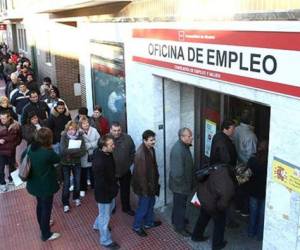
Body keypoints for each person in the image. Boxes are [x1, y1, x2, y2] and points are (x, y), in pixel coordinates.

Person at [25, 127, 61, 241]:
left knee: (39, 205)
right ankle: (46, 234)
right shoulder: (48, 152)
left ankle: (42, 225)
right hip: (46, 185)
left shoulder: (31, 148)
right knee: (46, 208)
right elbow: (57, 159)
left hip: (34, 184)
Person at [191, 163, 237, 250]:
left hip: (202, 197)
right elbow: (224, 201)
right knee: (220, 223)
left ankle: (196, 236)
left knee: (203, 217)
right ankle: (217, 245)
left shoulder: (218, 168)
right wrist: (219, 208)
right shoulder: (228, 183)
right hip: (212, 204)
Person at [92, 134, 120, 250]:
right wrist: (112, 191)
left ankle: (97, 225)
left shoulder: (106, 153)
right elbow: (101, 182)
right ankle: (105, 241)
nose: (114, 146)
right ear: (104, 147)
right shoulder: (99, 161)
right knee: (105, 216)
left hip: (110, 191)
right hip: (104, 194)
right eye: (111, 145)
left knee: (104, 213)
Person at [132, 130, 161, 237]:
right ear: (144, 141)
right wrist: (145, 191)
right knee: (143, 207)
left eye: (154, 139)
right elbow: (141, 176)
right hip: (145, 187)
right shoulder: (141, 154)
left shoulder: (150, 149)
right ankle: (136, 226)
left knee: (150, 204)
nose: (154, 142)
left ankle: (149, 223)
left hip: (150, 185)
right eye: (151, 140)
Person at [169, 127, 194, 236]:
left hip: (181, 185)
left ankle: (176, 220)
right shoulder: (178, 150)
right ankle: (180, 227)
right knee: (180, 206)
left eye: (191, 135)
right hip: (180, 186)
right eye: (189, 136)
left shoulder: (183, 146)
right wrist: (185, 186)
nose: (191, 137)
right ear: (182, 137)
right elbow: (177, 173)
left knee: (178, 205)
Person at [110, 122, 135, 216]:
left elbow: (132, 151)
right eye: (114, 130)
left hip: (125, 170)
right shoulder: (106, 139)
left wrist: (129, 163)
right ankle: (111, 207)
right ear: (110, 130)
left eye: (119, 130)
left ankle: (126, 207)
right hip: (111, 171)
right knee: (111, 191)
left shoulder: (128, 138)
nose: (117, 132)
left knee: (126, 190)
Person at [60, 121, 86, 212]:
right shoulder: (64, 136)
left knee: (77, 181)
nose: (71, 131)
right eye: (70, 129)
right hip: (65, 163)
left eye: (73, 129)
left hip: (76, 162)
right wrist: (76, 150)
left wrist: (70, 152)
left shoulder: (80, 136)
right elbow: (62, 151)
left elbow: (83, 151)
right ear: (67, 129)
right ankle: (65, 203)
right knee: (66, 183)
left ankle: (76, 197)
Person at [247, 140, 268, 240]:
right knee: (262, 215)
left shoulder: (253, 159)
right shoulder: (269, 162)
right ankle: (260, 236)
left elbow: (247, 174)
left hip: (253, 191)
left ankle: (251, 232)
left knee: (253, 213)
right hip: (264, 192)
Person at [0, 111, 22, 192]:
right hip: (1, 150)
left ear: (9, 117)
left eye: (4, 118)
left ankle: (11, 179)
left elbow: (20, 135)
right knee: (1, 168)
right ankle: (2, 183)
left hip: (11, 149)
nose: (2, 120)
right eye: (1, 118)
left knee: (12, 165)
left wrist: (16, 144)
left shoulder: (15, 125)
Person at [79, 117, 100, 197]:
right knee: (83, 173)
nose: (86, 124)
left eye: (87, 122)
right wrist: (91, 144)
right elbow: (80, 144)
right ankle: (83, 188)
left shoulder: (94, 130)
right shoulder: (79, 132)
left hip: (93, 154)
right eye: (84, 123)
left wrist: (89, 145)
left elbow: (99, 141)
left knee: (93, 171)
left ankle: (94, 186)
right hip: (84, 155)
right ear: (81, 124)